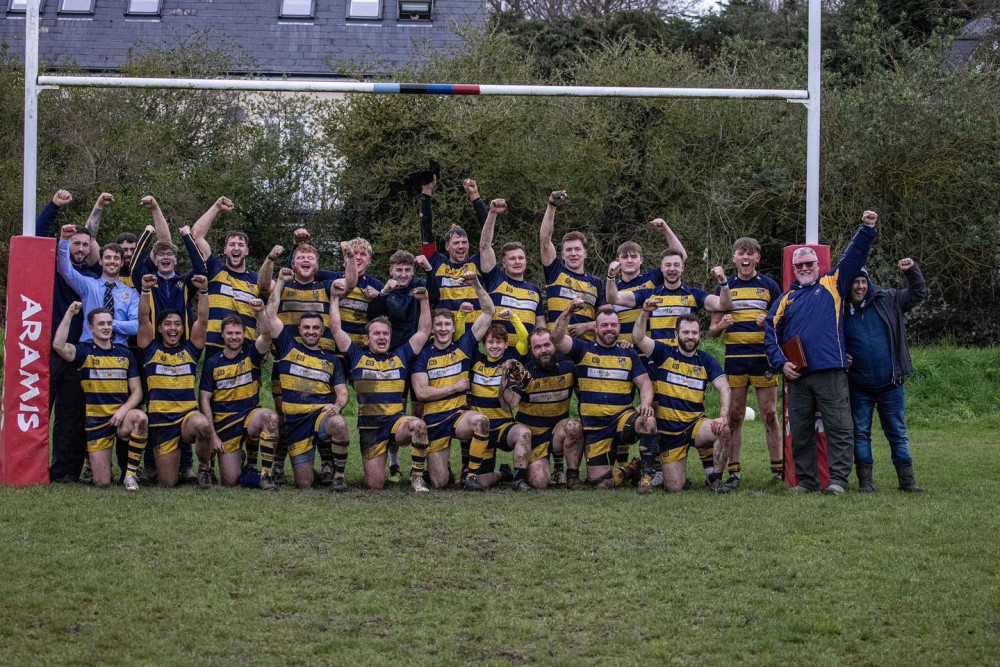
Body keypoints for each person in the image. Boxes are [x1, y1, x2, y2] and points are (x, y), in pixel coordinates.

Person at [765, 211, 879, 495]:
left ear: (818, 265)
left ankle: (838, 480)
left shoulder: (833, 284)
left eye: (809, 263)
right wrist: (781, 365)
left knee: (839, 427)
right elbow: (770, 336)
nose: (804, 268)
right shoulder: (785, 299)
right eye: (799, 264)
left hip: (831, 371)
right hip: (798, 376)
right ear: (793, 268)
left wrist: (866, 228)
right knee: (801, 431)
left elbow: (854, 257)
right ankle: (806, 481)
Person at [258, 242, 357, 485]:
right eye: (300, 256)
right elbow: (263, 287)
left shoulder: (326, 286)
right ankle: (279, 463)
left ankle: (328, 465)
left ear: (317, 264)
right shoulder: (284, 283)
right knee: (283, 414)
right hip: (288, 359)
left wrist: (351, 257)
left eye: (310, 257)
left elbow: (351, 283)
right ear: (293, 262)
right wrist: (275, 266)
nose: (305, 260)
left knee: (326, 411)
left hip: (323, 363)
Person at [330, 282, 433, 491]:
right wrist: (334, 299)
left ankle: (418, 476)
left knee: (419, 426)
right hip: (370, 428)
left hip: (396, 422)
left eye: (385, 334)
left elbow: (424, 331)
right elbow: (336, 328)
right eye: (376, 334)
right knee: (374, 485)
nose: (382, 337)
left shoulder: (401, 355)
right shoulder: (356, 355)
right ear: (368, 339)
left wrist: (424, 301)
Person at [551, 299, 655, 488]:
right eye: (604, 325)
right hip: (597, 428)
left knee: (647, 420)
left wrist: (646, 403)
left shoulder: (628, 353)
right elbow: (557, 338)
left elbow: (645, 382)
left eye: (613, 325)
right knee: (600, 483)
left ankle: (647, 478)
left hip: (622, 420)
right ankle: (631, 470)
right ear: (596, 328)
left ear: (619, 327)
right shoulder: (583, 349)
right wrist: (568, 312)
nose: (610, 329)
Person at [845, 258, 927, 493]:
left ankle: (907, 481)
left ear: (869, 282)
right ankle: (865, 483)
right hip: (859, 386)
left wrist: (912, 271)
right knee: (860, 434)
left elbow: (917, 293)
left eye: (863, 281)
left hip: (891, 383)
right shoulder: (841, 309)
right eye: (855, 282)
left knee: (898, 432)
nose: (859, 286)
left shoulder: (889, 299)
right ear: (848, 286)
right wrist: (843, 356)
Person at [708, 237, 784, 489]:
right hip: (736, 360)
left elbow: (783, 323)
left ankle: (778, 472)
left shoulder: (769, 286)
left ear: (757, 258)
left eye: (750, 253)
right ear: (734, 258)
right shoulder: (725, 286)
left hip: (763, 358)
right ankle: (734, 472)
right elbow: (712, 331)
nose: (746, 257)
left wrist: (770, 321)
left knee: (770, 413)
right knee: (736, 415)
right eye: (741, 252)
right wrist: (721, 325)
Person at [36, 190, 101, 484]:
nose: (81, 248)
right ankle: (30, 468)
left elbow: (93, 236)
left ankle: (65, 472)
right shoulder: (53, 265)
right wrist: (54, 206)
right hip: (48, 349)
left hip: (78, 352)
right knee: (39, 411)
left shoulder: (93, 274)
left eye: (85, 245)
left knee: (70, 417)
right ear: (67, 244)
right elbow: (36, 235)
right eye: (76, 243)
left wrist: (98, 208)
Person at [633, 305, 732, 493]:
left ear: (700, 336)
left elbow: (724, 388)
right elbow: (638, 337)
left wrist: (722, 416)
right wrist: (645, 312)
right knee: (674, 487)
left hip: (695, 425)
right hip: (670, 433)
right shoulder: (664, 353)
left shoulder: (706, 360)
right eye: (685, 332)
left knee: (723, 429)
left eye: (694, 332)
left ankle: (715, 479)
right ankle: (656, 469)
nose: (690, 336)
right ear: (676, 334)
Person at [411, 271, 495, 490]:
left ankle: (471, 477)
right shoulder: (423, 355)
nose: (443, 329)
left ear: (453, 326)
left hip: (459, 416)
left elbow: (489, 311)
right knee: (440, 483)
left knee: (481, 422)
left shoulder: (464, 345)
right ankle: (438, 467)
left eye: (447, 324)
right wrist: (455, 387)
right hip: (435, 421)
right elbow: (421, 393)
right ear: (432, 328)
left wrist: (476, 283)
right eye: (438, 325)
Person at [52, 302, 147, 491]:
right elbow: (58, 345)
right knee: (102, 482)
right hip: (96, 422)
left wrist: (123, 411)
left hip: (120, 418)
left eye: (109, 323)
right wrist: (70, 313)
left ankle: (130, 475)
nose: (106, 327)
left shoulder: (125, 354)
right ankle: (103, 468)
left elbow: (137, 392)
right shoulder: (84, 352)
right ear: (91, 329)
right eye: (101, 324)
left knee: (140, 418)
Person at [137, 273, 219, 488]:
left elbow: (202, 320)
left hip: (186, 417)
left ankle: (204, 469)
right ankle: (165, 467)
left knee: (203, 426)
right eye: (167, 324)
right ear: (160, 328)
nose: (173, 328)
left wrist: (203, 292)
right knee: (168, 483)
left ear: (183, 328)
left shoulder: (190, 350)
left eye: (177, 324)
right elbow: (143, 319)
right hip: (161, 421)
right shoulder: (150, 349)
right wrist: (145, 291)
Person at [199, 302, 280, 489]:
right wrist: (213, 436)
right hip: (226, 425)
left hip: (249, 416)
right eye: (230, 333)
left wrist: (260, 313)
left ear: (244, 334)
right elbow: (204, 400)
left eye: (238, 333)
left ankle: (266, 475)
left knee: (270, 417)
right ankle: (245, 463)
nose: (234, 337)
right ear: (222, 335)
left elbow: (267, 335)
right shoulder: (212, 363)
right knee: (230, 481)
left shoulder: (251, 353)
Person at [500, 328, 582, 490]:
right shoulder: (525, 372)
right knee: (539, 481)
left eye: (547, 345)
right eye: (537, 347)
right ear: (531, 350)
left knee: (574, 426)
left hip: (557, 432)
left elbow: (584, 398)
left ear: (555, 345)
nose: (543, 350)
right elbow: (509, 406)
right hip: (534, 438)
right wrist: (504, 379)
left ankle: (573, 476)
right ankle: (520, 470)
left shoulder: (569, 366)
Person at [465, 311, 535, 490]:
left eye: (499, 342)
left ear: (506, 345)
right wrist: (460, 317)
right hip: (482, 429)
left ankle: (519, 480)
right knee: (483, 482)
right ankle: (503, 473)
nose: (494, 346)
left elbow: (524, 340)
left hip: (504, 427)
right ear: (484, 344)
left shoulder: (510, 361)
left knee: (524, 433)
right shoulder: (476, 361)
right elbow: (463, 338)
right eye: (490, 342)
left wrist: (513, 318)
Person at [186, 196, 264, 354]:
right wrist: (216, 207)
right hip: (215, 346)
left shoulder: (256, 279)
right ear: (225, 250)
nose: (236, 248)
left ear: (247, 251)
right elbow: (195, 235)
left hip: (246, 349)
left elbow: (265, 314)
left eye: (241, 245)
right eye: (232, 244)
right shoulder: (215, 269)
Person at [606, 251, 731, 346]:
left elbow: (723, 305)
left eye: (676, 265)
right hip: (657, 360)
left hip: (685, 357)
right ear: (662, 268)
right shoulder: (648, 294)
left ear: (682, 268)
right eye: (668, 265)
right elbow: (614, 298)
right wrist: (611, 276)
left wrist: (723, 282)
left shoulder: (695, 294)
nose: (672, 269)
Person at [417, 171, 485, 324]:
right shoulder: (436, 262)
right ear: (447, 246)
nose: (461, 246)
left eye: (464, 242)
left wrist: (475, 196)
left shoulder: (478, 263)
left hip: (474, 334)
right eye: (456, 243)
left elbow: (487, 233)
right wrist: (426, 192)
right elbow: (426, 229)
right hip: (445, 333)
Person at [57, 224, 139, 346]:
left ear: (122, 263)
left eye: (116, 258)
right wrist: (64, 240)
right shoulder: (88, 285)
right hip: (90, 347)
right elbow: (65, 270)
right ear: (100, 261)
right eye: (107, 257)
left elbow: (136, 326)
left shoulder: (131, 293)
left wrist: (107, 323)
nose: (112, 261)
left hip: (119, 349)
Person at [478, 197, 545, 345]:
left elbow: (540, 325)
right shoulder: (495, 279)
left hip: (526, 356)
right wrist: (492, 213)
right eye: (512, 258)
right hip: (498, 352)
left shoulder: (534, 290)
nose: (517, 262)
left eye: (520, 258)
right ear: (503, 262)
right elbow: (485, 246)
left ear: (526, 261)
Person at [540, 190, 605, 341]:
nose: (573, 253)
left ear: (585, 254)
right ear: (562, 255)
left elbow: (608, 319)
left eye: (577, 249)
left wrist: (587, 326)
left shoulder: (597, 283)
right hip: (557, 345)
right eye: (568, 250)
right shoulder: (555, 271)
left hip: (586, 348)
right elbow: (545, 239)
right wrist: (552, 205)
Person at [610, 219, 688, 342]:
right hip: (624, 350)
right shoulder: (611, 287)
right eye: (625, 257)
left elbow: (681, 256)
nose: (629, 260)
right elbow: (607, 321)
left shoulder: (652, 278)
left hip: (649, 348)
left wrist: (665, 230)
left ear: (641, 260)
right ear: (617, 260)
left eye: (634, 256)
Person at [367, 250, 428, 351]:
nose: (403, 275)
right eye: (399, 270)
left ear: (413, 271)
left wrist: (428, 269)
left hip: (418, 348)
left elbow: (436, 295)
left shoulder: (418, 284)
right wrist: (382, 293)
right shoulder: (385, 290)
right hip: (393, 351)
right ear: (391, 271)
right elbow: (372, 316)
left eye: (407, 270)